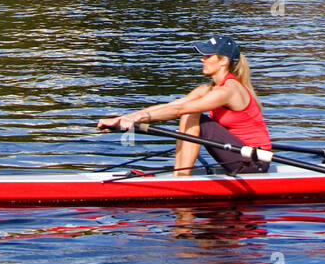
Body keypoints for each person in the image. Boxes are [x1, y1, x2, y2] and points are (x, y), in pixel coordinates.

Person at [97, 33, 272, 176]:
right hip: (237, 155)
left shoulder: (229, 90)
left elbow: (181, 110)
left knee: (191, 113)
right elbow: (172, 106)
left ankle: (181, 178)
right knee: (189, 112)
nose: (202, 59)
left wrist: (138, 118)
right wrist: (124, 118)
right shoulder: (208, 89)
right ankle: (179, 175)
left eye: (208, 55)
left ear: (223, 61)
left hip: (255, 162)